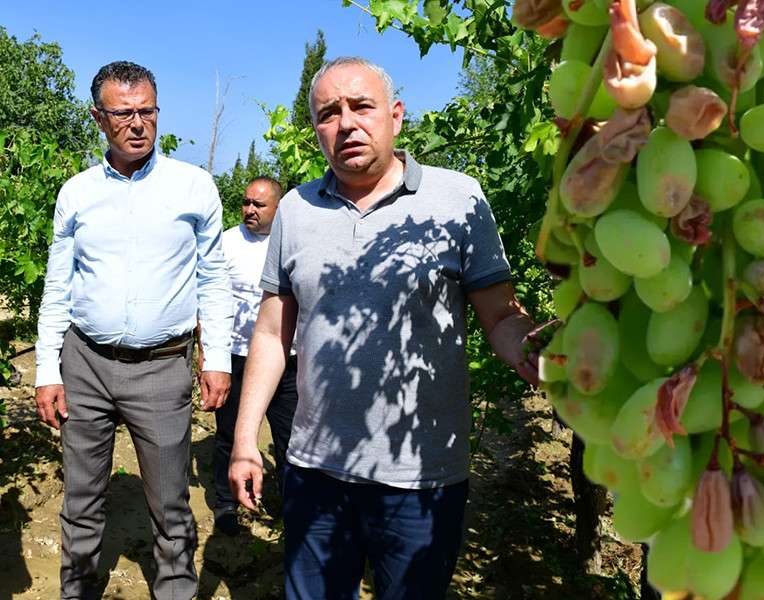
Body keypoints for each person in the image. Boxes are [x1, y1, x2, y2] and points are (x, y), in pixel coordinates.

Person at [228, 56, 539, 599]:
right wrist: (244, 441)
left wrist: (538, 351)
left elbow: (501, 316)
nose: (346, 122)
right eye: (328, 113)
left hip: (422, 480)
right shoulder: (297, 210)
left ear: (395, 116)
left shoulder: (458, 198)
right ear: (316, 131)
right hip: (315, 471)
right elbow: (272, 334)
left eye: (361, 106)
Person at [34, 60, 233, 600]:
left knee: (170, 502)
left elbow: (214, 279)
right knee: (80, 498)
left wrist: (216, 357)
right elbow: (59, 286)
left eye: (148, 111)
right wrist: (47, 369)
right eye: (124, 114)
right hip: (85, 363)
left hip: (161, 367)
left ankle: (175, 591)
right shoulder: (76, 193)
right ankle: (77, 589)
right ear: (99, 117)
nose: (138, 123)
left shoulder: (193, 187)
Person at [212, 176, 298, 536]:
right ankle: (225, 505)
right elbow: (211, 300)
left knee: (292, 438)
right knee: (229, 434)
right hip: (237, 356)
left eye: (258, 204)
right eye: (246, 202)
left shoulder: (293, 243)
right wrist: (210, 354)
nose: (249, 209)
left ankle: (293, 508)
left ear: (277, 209)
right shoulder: (226, 243)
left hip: (286, 357)